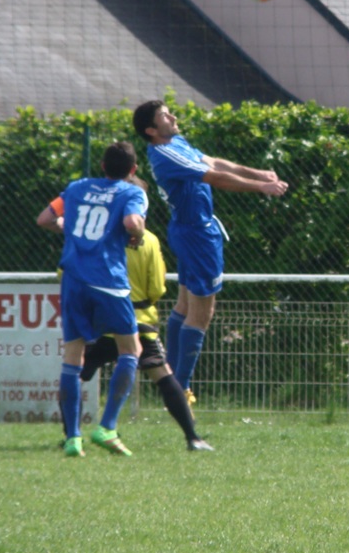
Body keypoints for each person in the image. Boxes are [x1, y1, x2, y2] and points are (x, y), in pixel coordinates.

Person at [37, 175, 214, 452]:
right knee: (163, 376)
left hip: (99, 322)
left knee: (75, 371)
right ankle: (192, 437)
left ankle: (72, 434)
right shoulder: (149, 240)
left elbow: (65, 272)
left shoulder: (90, 235)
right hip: (138, 319)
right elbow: (157, 287)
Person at [132, 100, 289, 408]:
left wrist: (260, 174)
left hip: (190, 231)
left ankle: (170, 381)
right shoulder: (164, 154)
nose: (173, 116)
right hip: (197, 236)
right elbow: (213, 177)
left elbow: (214, 163)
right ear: (151, 130)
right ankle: (181, 391)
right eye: (164, 115)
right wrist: (261, 187)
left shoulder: (176, 142)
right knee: (202, 313)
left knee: (184, 305)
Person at [44, 141, 146, 457]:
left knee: (73, 356)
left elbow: (45, 219)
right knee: (131, 349)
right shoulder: (132, 192)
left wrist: (70, 229)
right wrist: (138, 235)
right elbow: (132, 223)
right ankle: (107, 427)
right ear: (133, 169)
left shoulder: (77, 188)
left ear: (102, 166)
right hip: (108, 280)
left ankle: (73, 438)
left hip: (74, 279)